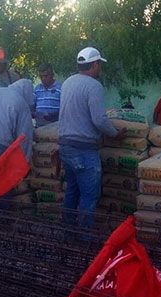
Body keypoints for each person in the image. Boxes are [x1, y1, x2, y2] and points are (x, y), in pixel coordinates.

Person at [58, 47, 127, 230]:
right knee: (89, 196)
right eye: (99, 65)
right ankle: (84, 239)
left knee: (72, 192)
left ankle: (68, 233)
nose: (100, 69)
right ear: (95, 64)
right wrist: (115, 134)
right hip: (84, 149)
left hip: (66, 146)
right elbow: (99, 119)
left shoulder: (67, 82)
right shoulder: (94, 86)